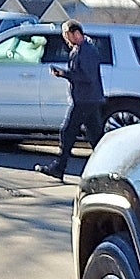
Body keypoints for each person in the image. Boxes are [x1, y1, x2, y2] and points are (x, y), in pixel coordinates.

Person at [35, 21, 106, 181]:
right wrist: (64, 73)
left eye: (67, 35)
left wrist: (65, 74)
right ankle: (108, 168)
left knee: (68, 132)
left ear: (76, 33)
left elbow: (88, 77)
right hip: (87, 98)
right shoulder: (79, 49)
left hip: (86, 99)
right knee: (96, 137)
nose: (66, 39)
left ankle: (59, 167)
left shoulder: (87, 51)